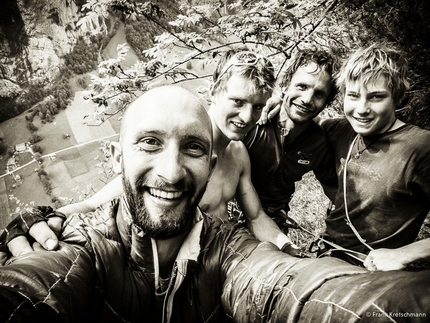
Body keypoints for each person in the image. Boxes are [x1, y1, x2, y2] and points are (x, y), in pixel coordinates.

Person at [1, 85, 430, 323]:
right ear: (118, 159)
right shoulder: (85, 251)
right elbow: (34, 288)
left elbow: (292, 286)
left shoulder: (230, 242)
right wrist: (39, 219)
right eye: (150, 143)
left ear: (208, 163)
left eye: (191, 149)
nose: (170, 171)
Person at [0, 49, 299, 264]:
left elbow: (256, 216)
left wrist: (290, 252)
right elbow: (95, 203)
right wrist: (42, 220)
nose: (247, 116)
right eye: (238, 101)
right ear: (214, 93)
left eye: (258, 107)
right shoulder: (175, 154)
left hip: (213, 268)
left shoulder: (238, 154)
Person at [320, 43, 430, 271]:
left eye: (376, 97)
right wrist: (278, 106)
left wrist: (405, 254)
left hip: (373, 278)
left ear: (397, 98)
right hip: (325, 259)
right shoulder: (341, 130)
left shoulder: (421, 147)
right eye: (353, 96)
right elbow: (304, 121)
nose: (361, 109)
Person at [243, 48, 338, 230]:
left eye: (319, 94)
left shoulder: (319, 144)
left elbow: (334, 190)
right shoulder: (253, 121)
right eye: (302, 86)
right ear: (286, 85)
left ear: (327, 102)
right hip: (231, 215)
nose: (307, 99)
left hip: (274, 221)